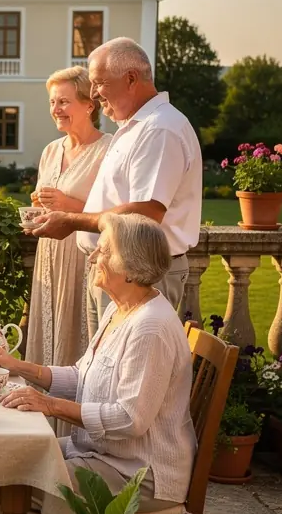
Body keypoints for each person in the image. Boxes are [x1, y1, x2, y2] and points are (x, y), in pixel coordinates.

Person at [0, 214, 195, 514]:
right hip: (103, 456)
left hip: (138, 475)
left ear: (131, 267)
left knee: (21, 480)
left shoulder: (149, 327)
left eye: (105, 249)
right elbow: (82, 375)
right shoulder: (122, 310)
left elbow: (130, 418)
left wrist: (50, 406)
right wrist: (17, 366)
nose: (94, 253)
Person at [27, 38, 202, 338]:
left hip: (141, 276)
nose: (94, 93)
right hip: (116, 271)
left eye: (100, 83)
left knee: (123, 375)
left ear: (131, 78)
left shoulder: (159, 129)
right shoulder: (134, 127)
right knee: (102, 372)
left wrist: (70, 220)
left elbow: (145, 213)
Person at [24, 66, 111, 435]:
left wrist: (68, 204)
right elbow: (50, 202)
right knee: (46, 336)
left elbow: (114, 211)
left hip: (83, 257)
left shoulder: (108, 149)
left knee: (78, 340)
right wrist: (40, 208)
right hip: (49, 256)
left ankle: (72, 436)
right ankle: (37, 430)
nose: (56, 109)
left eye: (64, 101)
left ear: (89, 104)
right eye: (52, 102)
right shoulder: (50, 151)